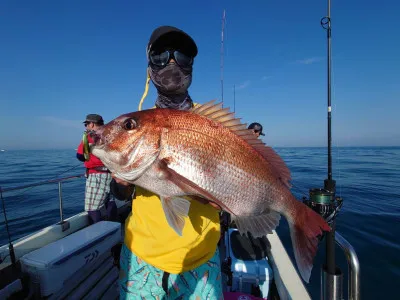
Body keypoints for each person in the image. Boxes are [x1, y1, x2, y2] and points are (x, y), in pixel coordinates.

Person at [112, 26, 223, 299]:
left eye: (182, 56)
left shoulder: (216, 127)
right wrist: (122, 184)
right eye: (161, 55)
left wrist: (214, 197)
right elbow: (120, 194)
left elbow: (228, 194)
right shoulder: (137, 126)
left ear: (192, 68)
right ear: (150, 68)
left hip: (201, 259)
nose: (172, 62)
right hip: (141, 256)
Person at [76, 114, 117, 224]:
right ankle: (114, 229)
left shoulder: (90, 136)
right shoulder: (110, 135)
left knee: (92, 207)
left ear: (92, 124)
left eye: (86, 124)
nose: (86, 127)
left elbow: (80, 155)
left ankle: (97, 232)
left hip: (97, 175)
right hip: (112, 174)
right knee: (110, 202)